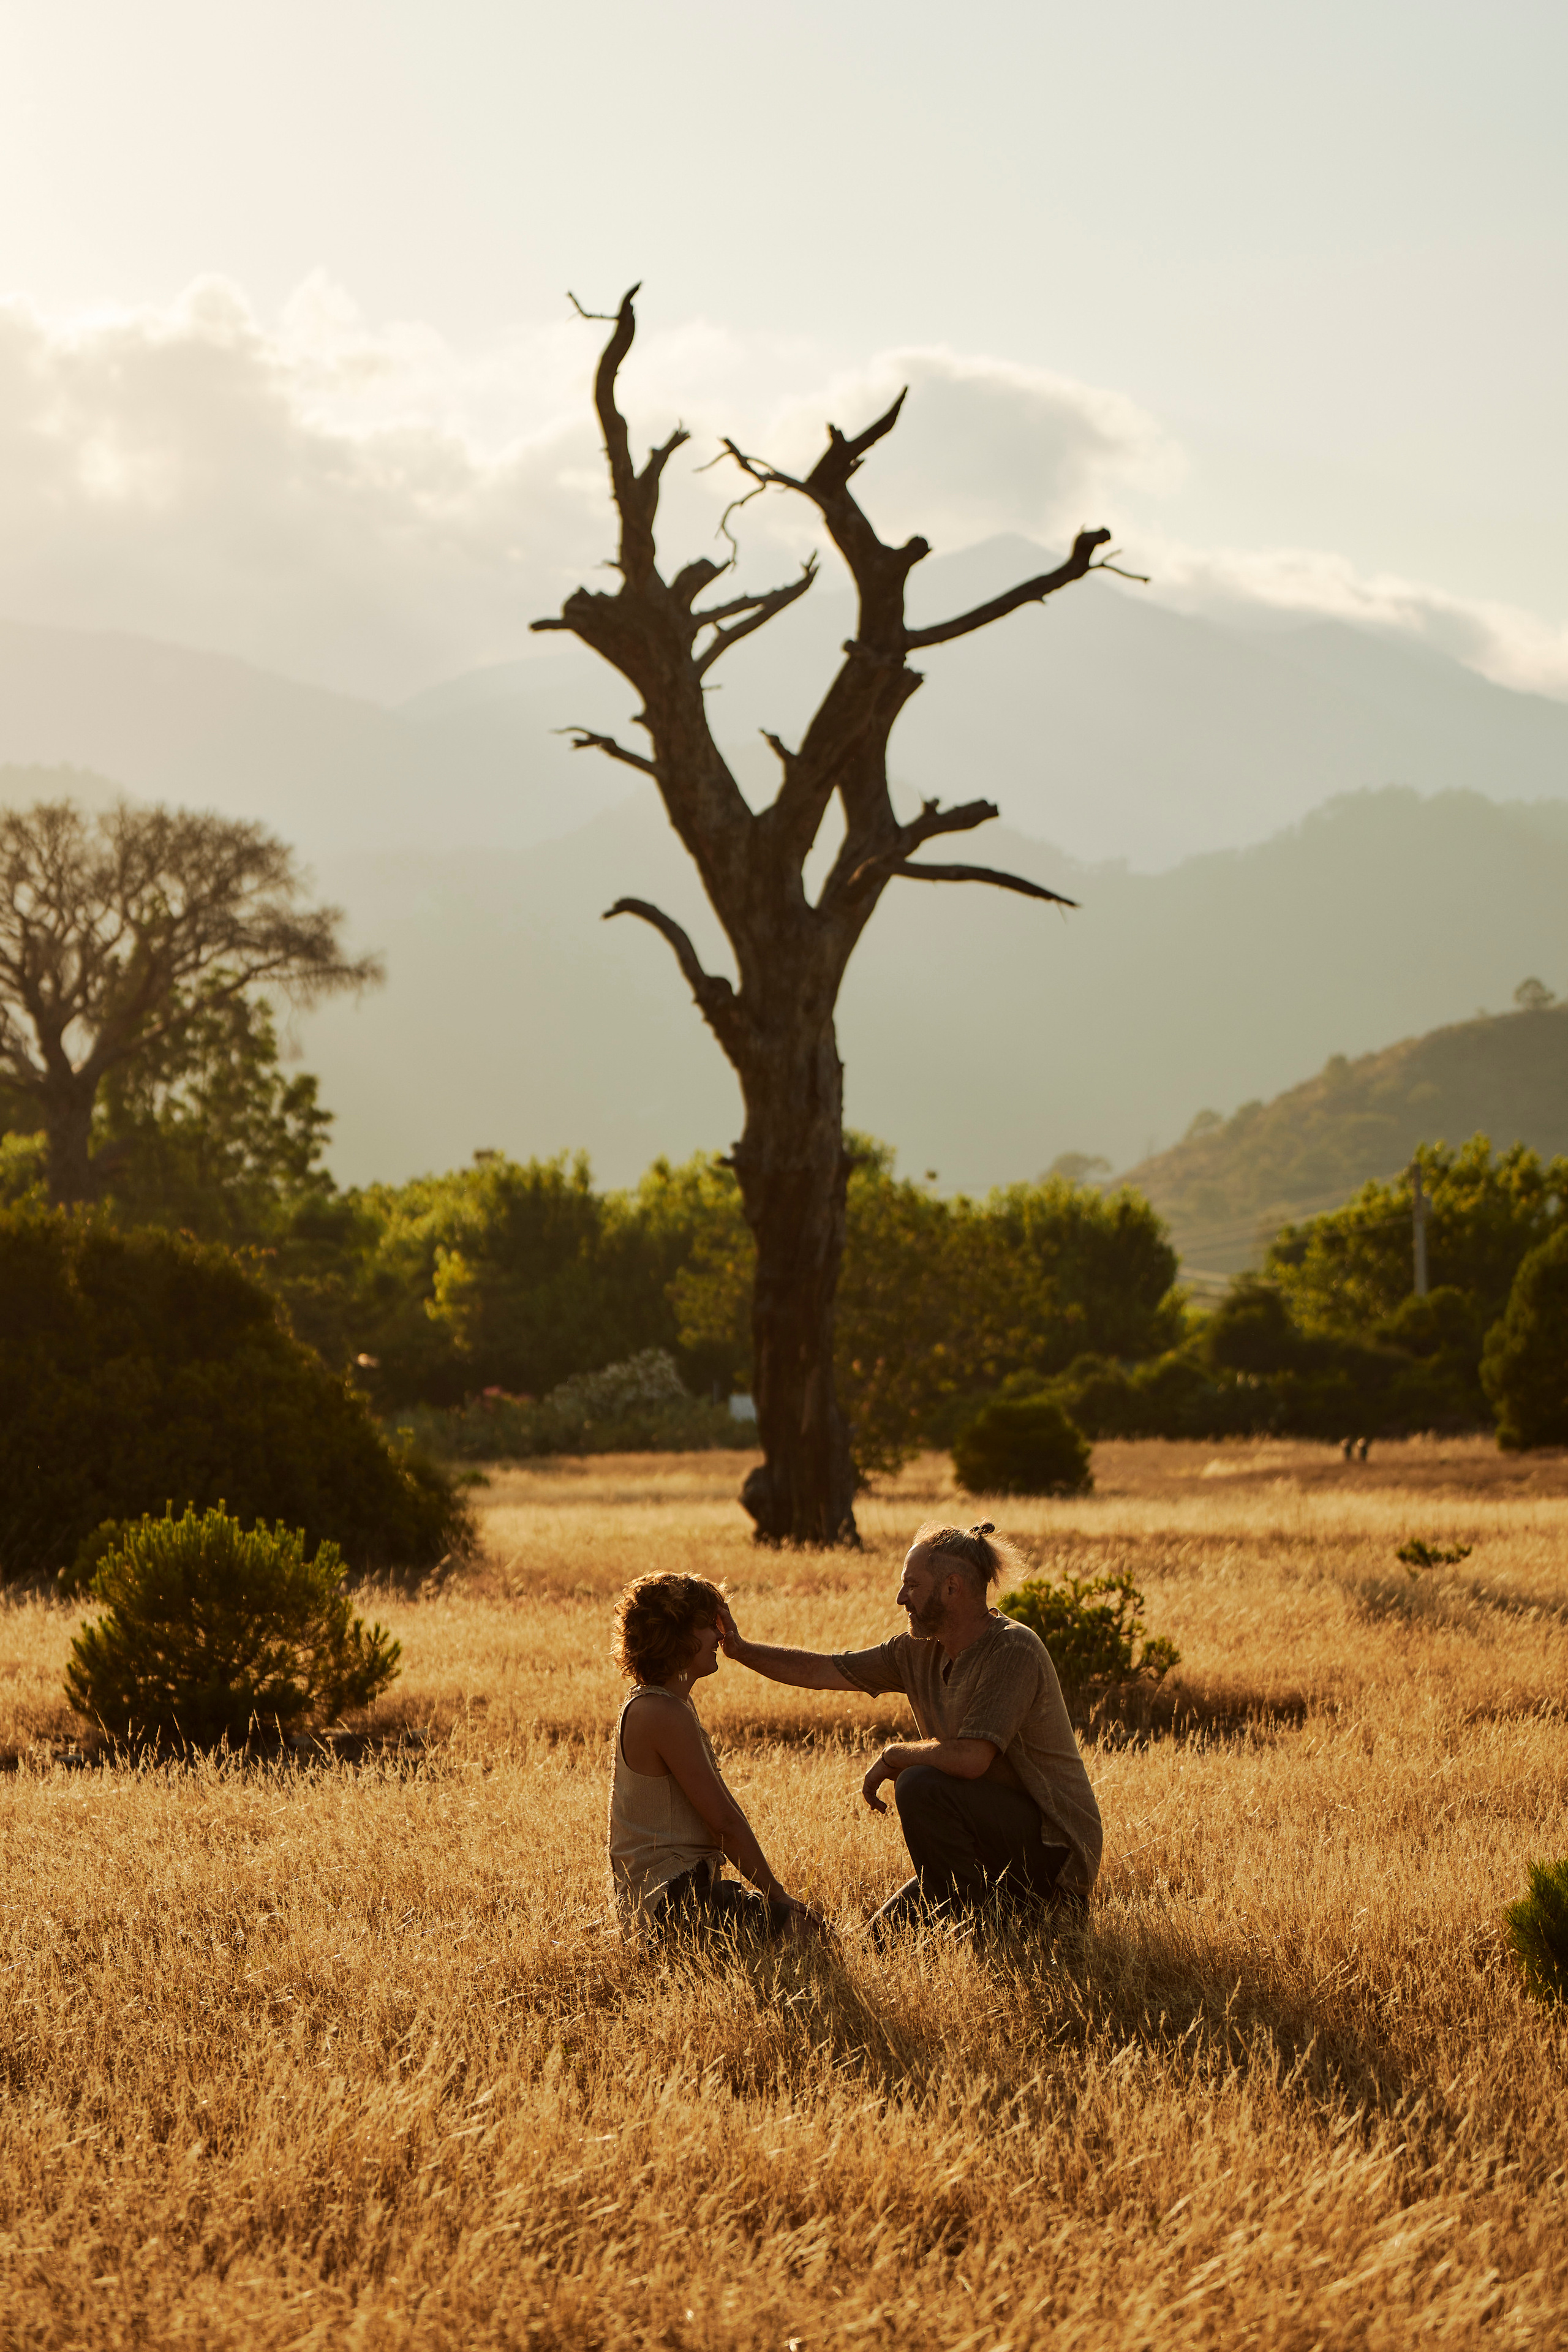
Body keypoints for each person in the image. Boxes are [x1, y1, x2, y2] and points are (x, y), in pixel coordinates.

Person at [720, 1521, 1101, 1934]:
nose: (901, 1598)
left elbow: (971, 1759)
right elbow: (821, 1669)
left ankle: (988, 1928)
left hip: (1052, 1850)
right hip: (990, 1847)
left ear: (952, 1588)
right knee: (876, 1941)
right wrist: (742, 1650)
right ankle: (976, 1914)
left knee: (919, 1783)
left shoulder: (1012, 1648)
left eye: (912, 1586)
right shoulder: (916, 1651)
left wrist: (895, 1756)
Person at [607, 1570, 820, 1940]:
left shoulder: (668, 1703)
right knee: (808, 1933)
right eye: (709, 1625)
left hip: (678, 1895)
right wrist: (777, 1895)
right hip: (670, 1904)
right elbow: (723, 1823)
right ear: (678, 1634)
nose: (720, 1636)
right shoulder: (662, 1712)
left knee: (806, 1931)